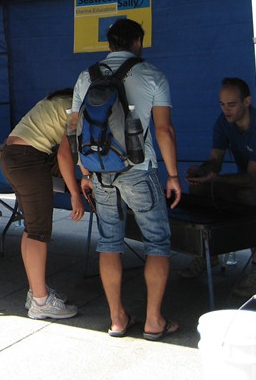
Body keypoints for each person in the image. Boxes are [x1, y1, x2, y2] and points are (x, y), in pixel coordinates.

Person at [71, 18, 181, 340]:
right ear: (138, 42)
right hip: (138, 170)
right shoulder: (153, 75)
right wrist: (173, 176)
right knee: (157, 243)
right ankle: (154, 321)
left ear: (109, 45)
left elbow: (73, 128)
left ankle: (117, 319)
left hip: (100, 171)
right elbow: (164, 130)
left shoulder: (86, 76)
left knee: (109, 242)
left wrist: (85, 172)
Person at [0, 88, 85, 320]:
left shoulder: (61, 100)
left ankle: (35, 292)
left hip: (13, 156)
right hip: (28, 160)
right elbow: (65, 155)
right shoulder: (77, 109)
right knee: (39, 232)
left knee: (32, 229)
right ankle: (41, 302)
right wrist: (75, 194)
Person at [183, 77, 256, 296]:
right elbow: (215, 160)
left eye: (231, 104)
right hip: (248, 179)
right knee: (199, 189)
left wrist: (215, 179)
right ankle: (207, 255)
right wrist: (202, 171)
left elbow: (252, 179)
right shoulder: (224, 122)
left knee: (249, 199)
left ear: (247, 101)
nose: (226, 109)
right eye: (222, 104)